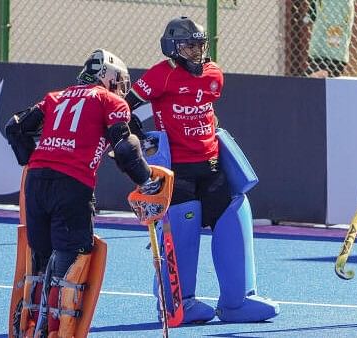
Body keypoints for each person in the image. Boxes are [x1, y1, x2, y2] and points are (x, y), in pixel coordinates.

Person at [124, 16, 280, 324]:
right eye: (189, 46)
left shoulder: (214, 74)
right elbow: (124, 107)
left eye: (199, 45)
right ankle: (177, 303)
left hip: (211, 166)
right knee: (183, 228)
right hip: (178, 172)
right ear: (173, 47)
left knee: (234, 213)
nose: (196, 52)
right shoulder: (160, 75)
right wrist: (139, 135)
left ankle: (236, 302)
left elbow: (207, 110)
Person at [5, 49, 160, 336]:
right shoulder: (111, 100)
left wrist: (32, 158)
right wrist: (146, 180)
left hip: (36, 181)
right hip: (72, 184)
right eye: (121, 81)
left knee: (40, 256)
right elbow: (125, 148)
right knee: (73, 256)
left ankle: (27, 322)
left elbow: (14, 127)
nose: (122, 88)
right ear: (109, 77)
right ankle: (55, 329)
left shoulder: (55, 97)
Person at [304, 0, 355, 78]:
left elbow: (307, 19)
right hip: (325, 55)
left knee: (311, 80)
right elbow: (309, 17)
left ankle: (325, 72)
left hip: (328, 55)